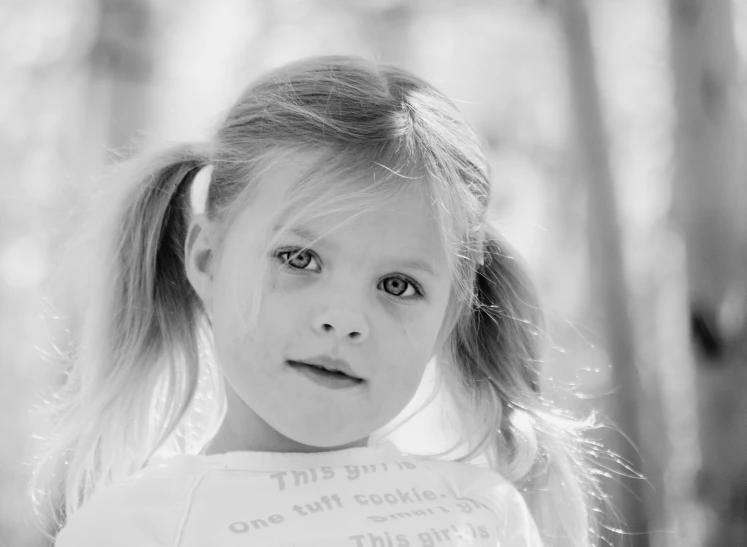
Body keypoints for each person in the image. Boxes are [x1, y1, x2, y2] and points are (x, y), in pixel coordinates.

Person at [29, 55, 602, 546]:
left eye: (398, 285)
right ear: (207, 259)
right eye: (298, 259)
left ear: (448, 316)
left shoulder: (484, 516)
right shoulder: (129, 529)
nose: (345, 319)